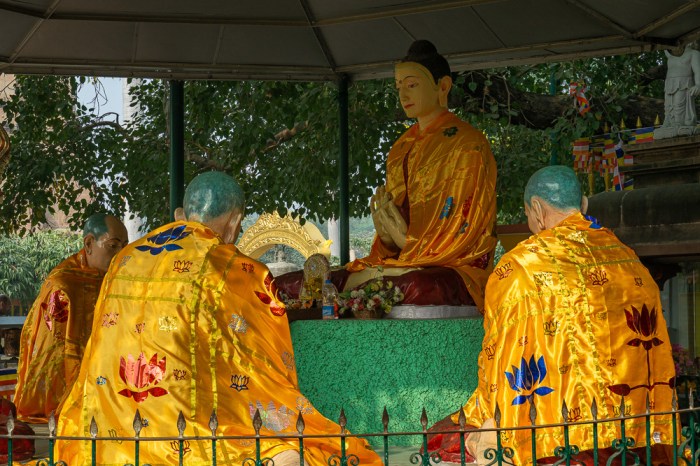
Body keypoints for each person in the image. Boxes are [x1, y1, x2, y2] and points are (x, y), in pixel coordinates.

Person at [56, 172, 382, 466]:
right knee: (284, 453)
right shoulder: (231, 266)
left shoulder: (125, 258)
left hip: (108, 427)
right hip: (186, 430)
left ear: (182, 214)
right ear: (235, 221)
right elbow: (260, 349)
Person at [428, 165, 676, 465]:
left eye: (528, 215)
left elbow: (502, 355)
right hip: (634, 432)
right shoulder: (628, 259)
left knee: (442, 436)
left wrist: (491, 419)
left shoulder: (520, 266)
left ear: (536, 209)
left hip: (555, 437)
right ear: (583, 204)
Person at [345, 39, 497, 309]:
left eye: (412, 85)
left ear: (443, 86)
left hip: (453, 265)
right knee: (332, 280)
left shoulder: (467, 143)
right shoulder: (401, 147)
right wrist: (388, 240)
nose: (403, 96)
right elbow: (397, 222)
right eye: (399, 87)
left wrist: (408, 242)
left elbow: (466, 231)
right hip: (405, 262)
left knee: (415, 286)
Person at [14, 213, 128, 422]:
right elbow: (53, 351)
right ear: (89, 244)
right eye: (113, 246)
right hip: (70, 388)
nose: (120, 253)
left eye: (124, 246)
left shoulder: (117, 280)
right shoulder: (63, 285)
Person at [654, 42, 700, 139]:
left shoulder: (693, 53)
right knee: (668, 107)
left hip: (684, 84)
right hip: (669, 84)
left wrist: (698, 84)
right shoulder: (670, 55)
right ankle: (668, 124)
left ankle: (679, 124)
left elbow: (697, 71)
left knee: (679, 105)